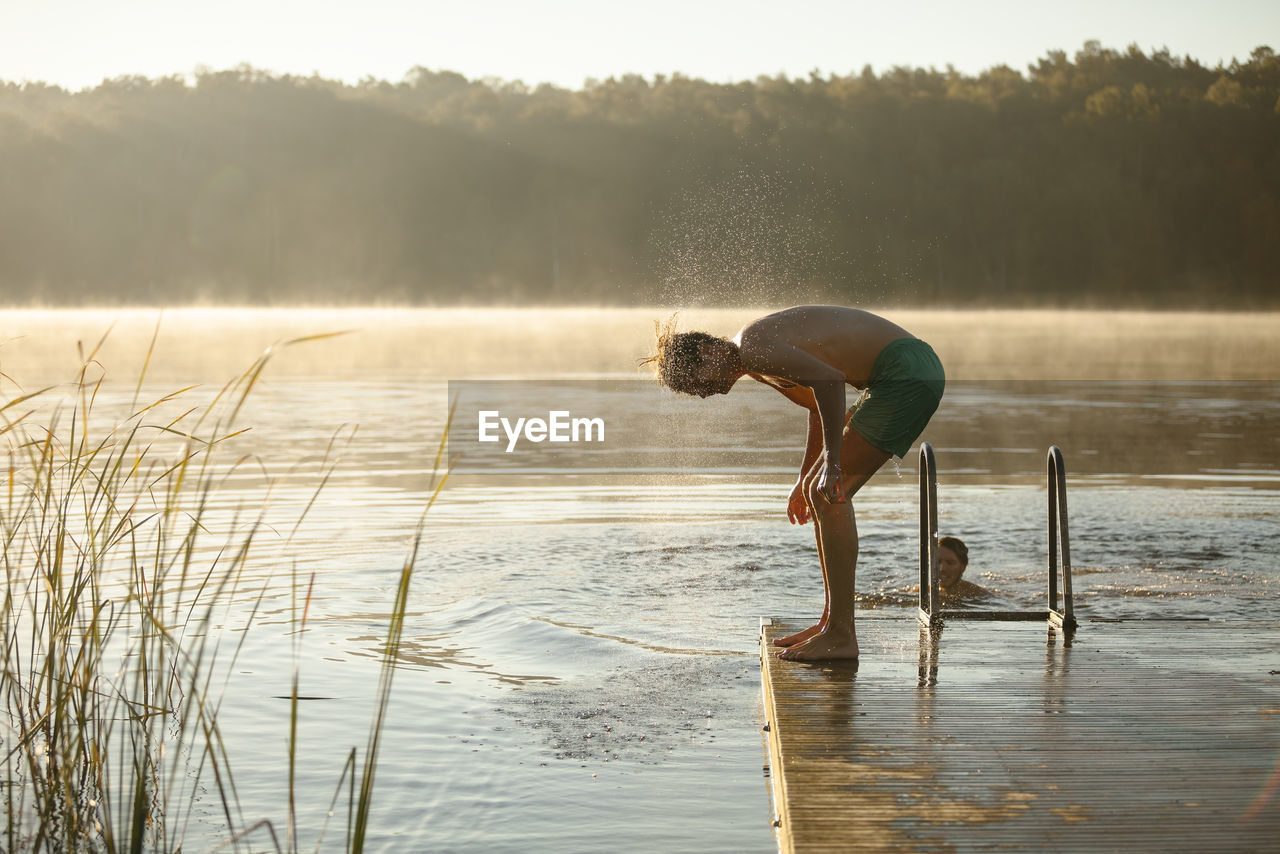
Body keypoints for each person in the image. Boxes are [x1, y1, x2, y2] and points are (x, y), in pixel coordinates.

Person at [642, 306, 945, 660]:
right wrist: (804, 477)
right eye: (696, 393)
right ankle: (830, 623)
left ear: (708, 351)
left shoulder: (753, 348)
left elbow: (831, 382)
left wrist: (831, 462)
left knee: (830, 495)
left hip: (905, 373)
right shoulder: (754, 362)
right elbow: (819, 405)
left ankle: (842, 635)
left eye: (698, 383)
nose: (706, 394)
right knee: (819, 492)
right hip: (903, 371)